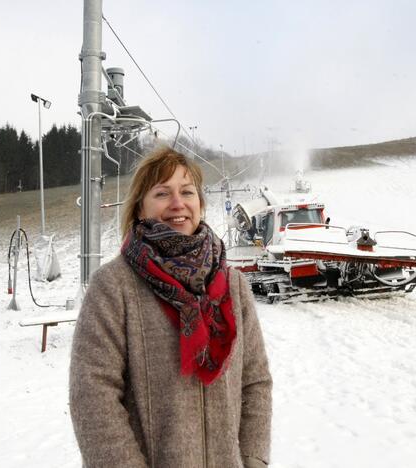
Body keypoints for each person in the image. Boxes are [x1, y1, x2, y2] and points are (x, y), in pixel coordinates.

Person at [69, 146, 273, 467]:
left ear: (200, 204)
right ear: (139, 208)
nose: (178, 203)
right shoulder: (113, 287)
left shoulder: (233, 286)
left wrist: (252, 459)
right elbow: (93, 396)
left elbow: (256, 383)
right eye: (162, 193)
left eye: (187, 192)